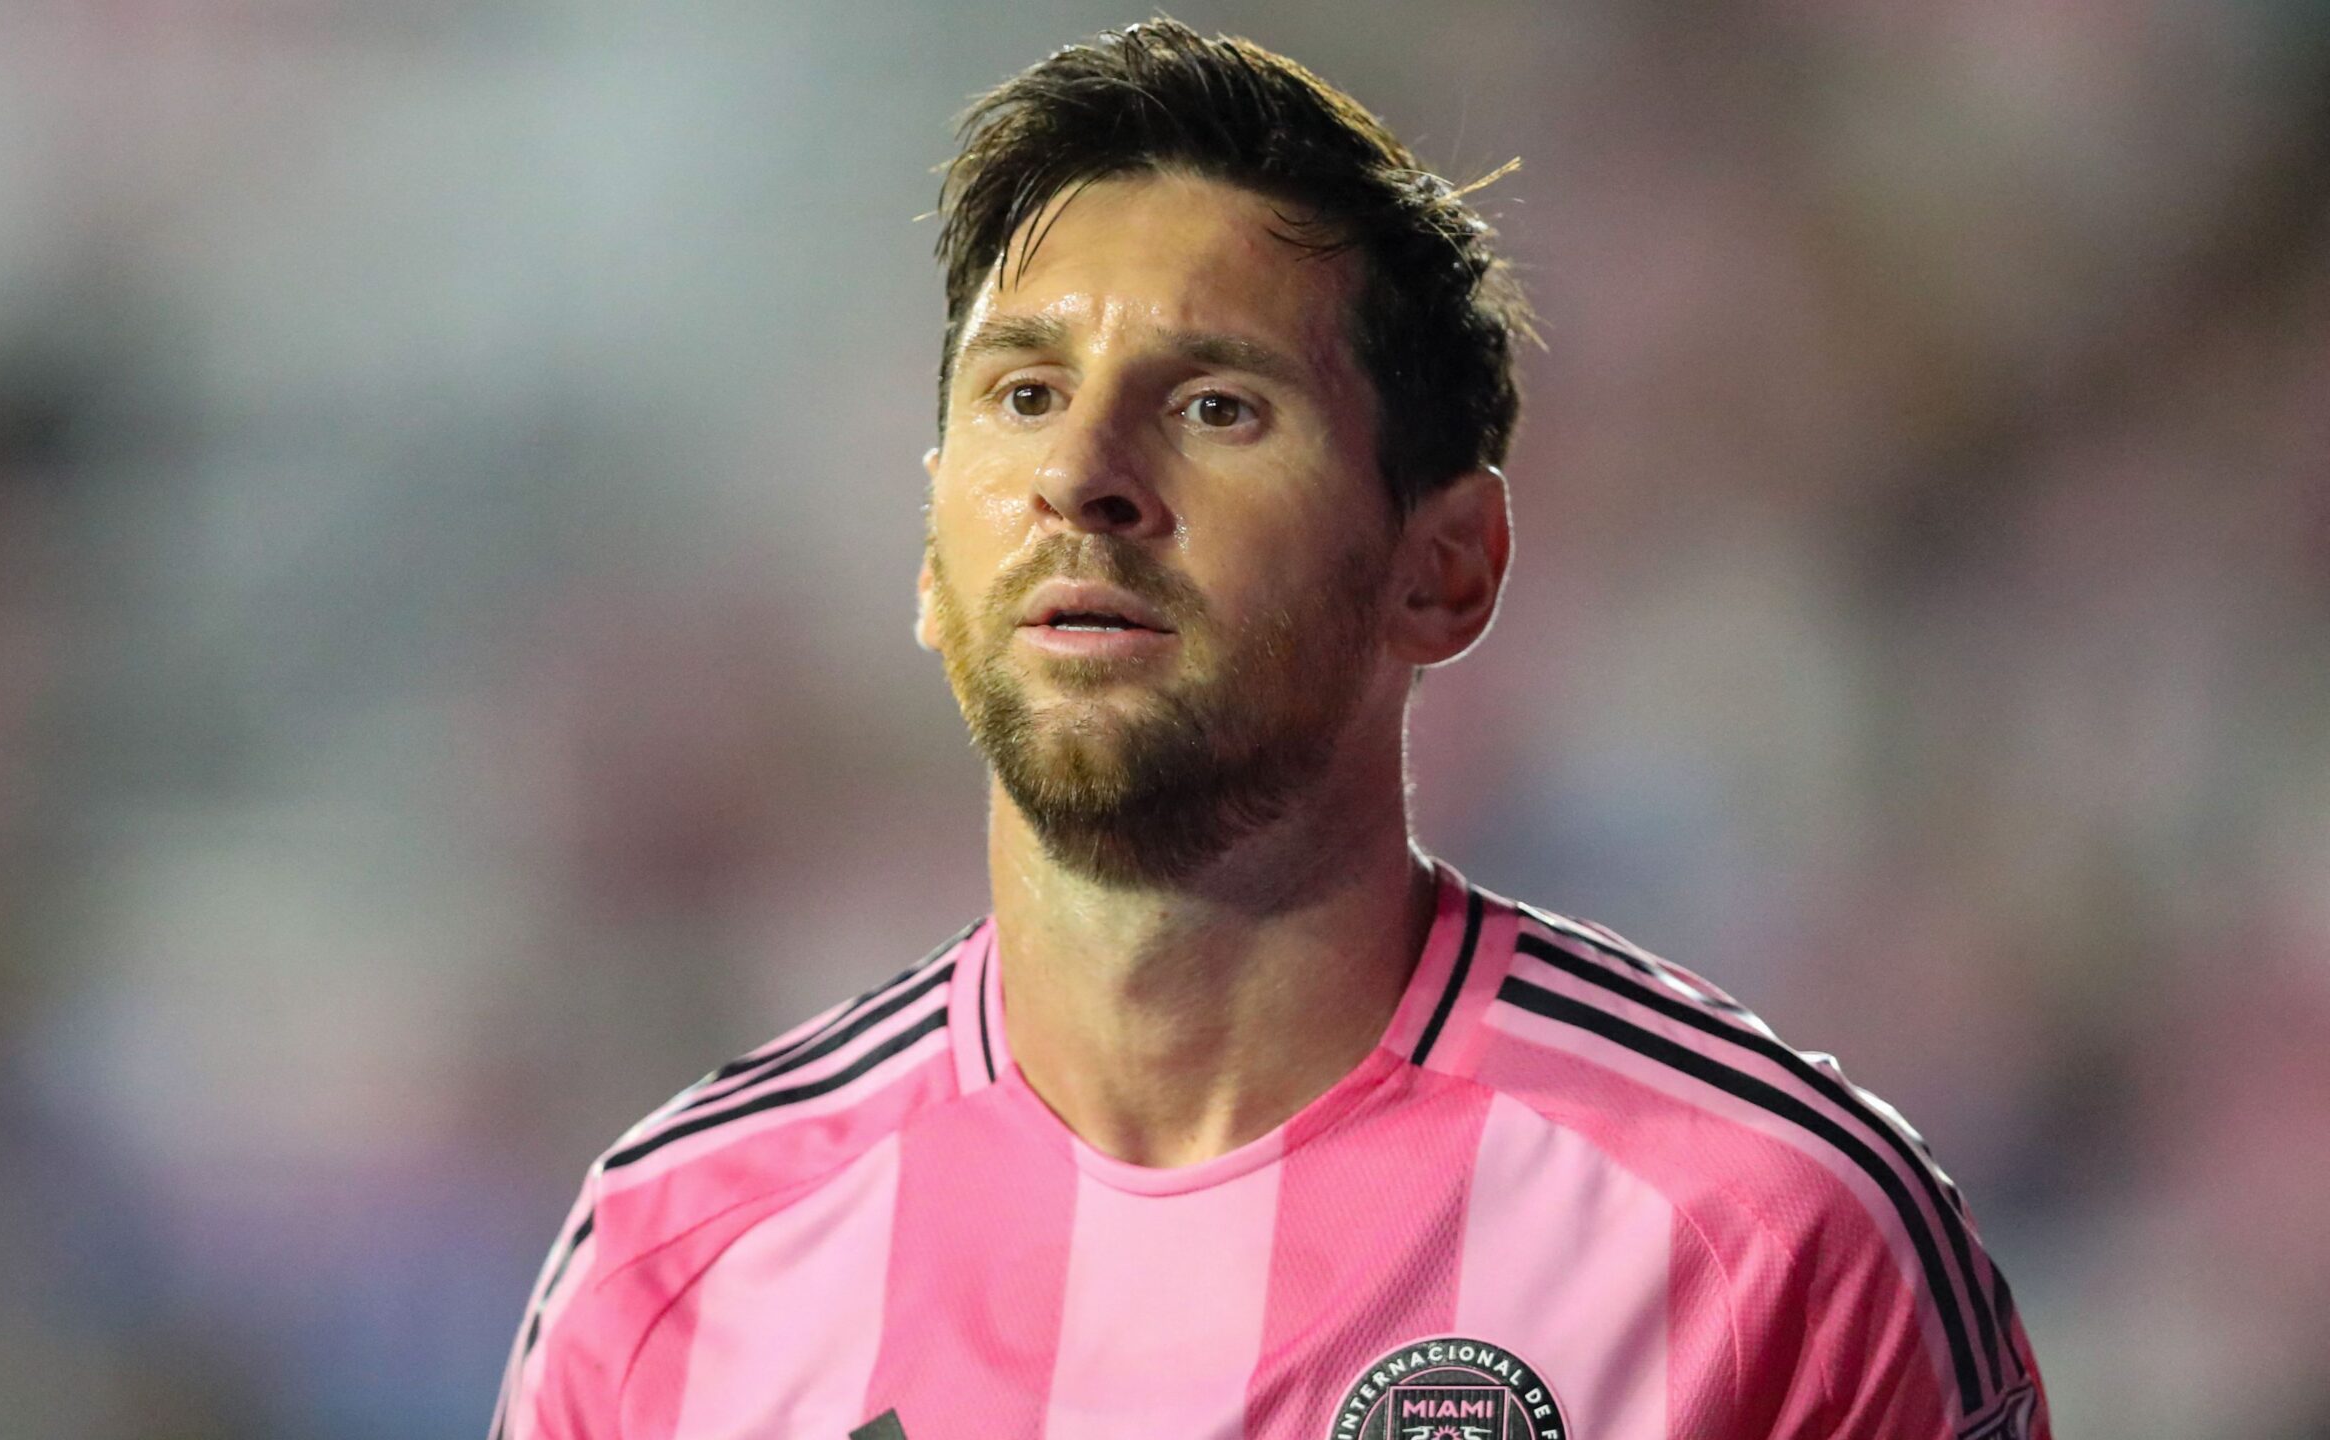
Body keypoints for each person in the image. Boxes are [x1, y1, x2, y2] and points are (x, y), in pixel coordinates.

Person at [489, 19, 2049, 1440]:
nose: (1084, 477)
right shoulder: (672, 1273)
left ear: (1445, 571)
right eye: (1023, 395)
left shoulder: (1774, 1250)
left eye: (1217, 407)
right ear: (928, 552)